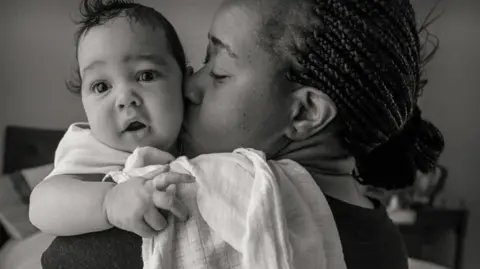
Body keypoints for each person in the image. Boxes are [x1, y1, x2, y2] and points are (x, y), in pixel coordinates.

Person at [41, 0, 445, 269]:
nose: (190, 87)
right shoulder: (387, 241)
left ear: (305, 112)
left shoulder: (180, 207)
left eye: (218, 73)